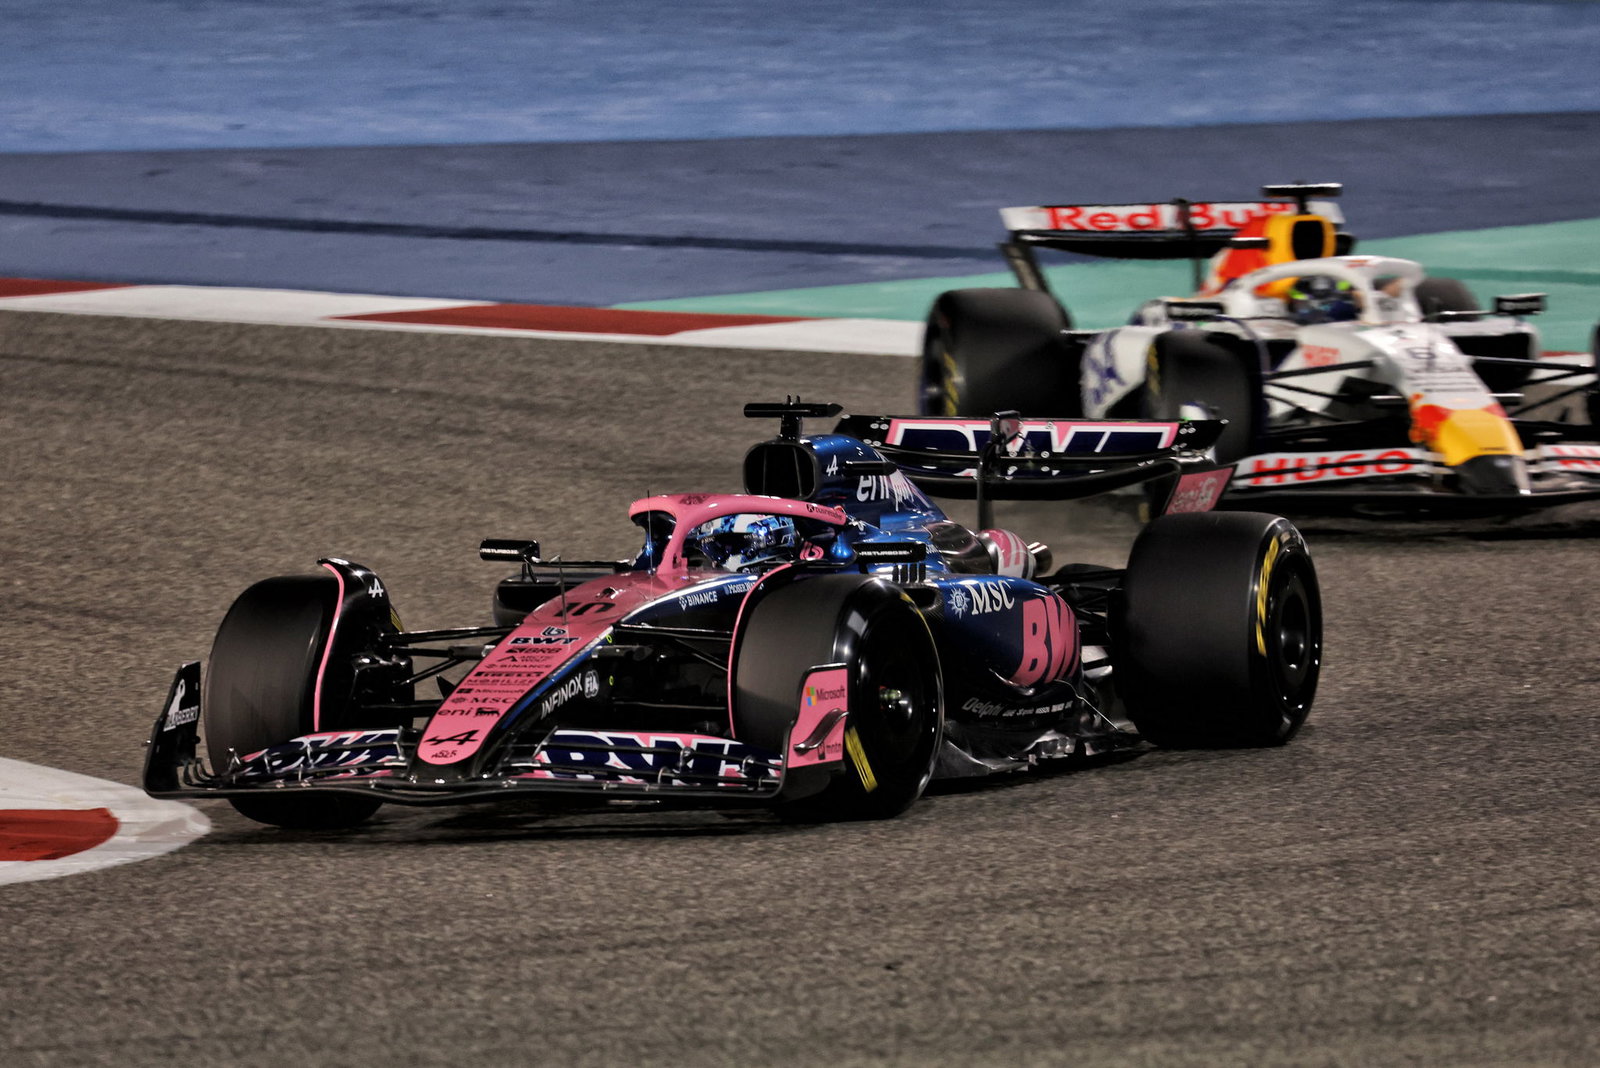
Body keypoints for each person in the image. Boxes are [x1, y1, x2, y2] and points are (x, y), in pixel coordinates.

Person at [1286, 274, 1360, 324]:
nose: (1321, 293)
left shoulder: (1341, 289)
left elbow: (1353, 292)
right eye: (1318, 291)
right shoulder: (1300, 295)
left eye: (1323, 291)